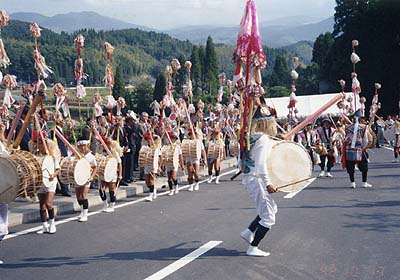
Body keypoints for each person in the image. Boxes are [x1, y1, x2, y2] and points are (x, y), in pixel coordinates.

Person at [240, 104, 278, 257]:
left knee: (272, 209)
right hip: (258, 180)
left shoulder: (250, 136)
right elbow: (261, 164)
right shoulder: (262, 139)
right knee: (269, 216)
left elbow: (240, 161)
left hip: (251, 178)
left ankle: (249, 231)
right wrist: (268, 183)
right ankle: (253, 247)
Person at [34, 136, 62, 234]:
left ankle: (52, 223)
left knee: (48, 203)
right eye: (39, 143)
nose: (40, 145)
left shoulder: (52, 157)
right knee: (42, 205)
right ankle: (44, 225)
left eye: (42, 144)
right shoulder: (36, 156)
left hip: (50, 182)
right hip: (40, 183)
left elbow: (58, 169)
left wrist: (53, 175)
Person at [343, 111, 372, 188]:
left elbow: (345, 138)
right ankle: (364, 182)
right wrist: (363, 147)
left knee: (350, 166)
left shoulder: (347, 127)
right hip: (359, 148)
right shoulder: (364, 127)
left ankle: (352, 183)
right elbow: (366, 140)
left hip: (349, 149)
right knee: (364, 166)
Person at [75, 138, 98, 222]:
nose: (83, 148)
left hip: (86, 178)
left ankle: (85, 214)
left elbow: (95, 167)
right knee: (78, 196)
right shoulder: (75, 155)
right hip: (77, 177)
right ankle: (82, 211)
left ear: (87, 146)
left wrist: (92, 176)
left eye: (84, 146)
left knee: (84, 195)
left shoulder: (91, 156)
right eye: (81, 146)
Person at [99, 137, 123, 213]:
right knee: (101, 190)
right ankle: (105, 203)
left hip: (112, 173)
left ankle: (112, 205)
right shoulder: (102, 152)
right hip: (104, 173)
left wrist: (120, 175)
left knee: (111, 189)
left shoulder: (114, 153)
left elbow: (119, 164)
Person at [161, 132, 184, 196]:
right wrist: (162, 164)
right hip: (168, 163)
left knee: (173, 177)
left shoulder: (177, 146)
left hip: (175, 163)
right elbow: (163, 156)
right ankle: (171, 190)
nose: (172, 139)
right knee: (169, 178)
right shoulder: (166, 147)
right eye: (171, 138)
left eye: (173, 138)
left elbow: (180, 156)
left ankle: (176, 186)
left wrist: (182, 164)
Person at [142, 133, 161, 202]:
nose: (148, 141)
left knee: (151, 180)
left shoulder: (156, 148)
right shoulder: (145, 147)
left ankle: (150, 195)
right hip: (147, 165)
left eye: (149, 139)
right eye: (147, 139)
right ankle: (153, 189)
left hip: (153, 165)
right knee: (147, 182)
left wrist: (159, 166)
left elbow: (160, 157)